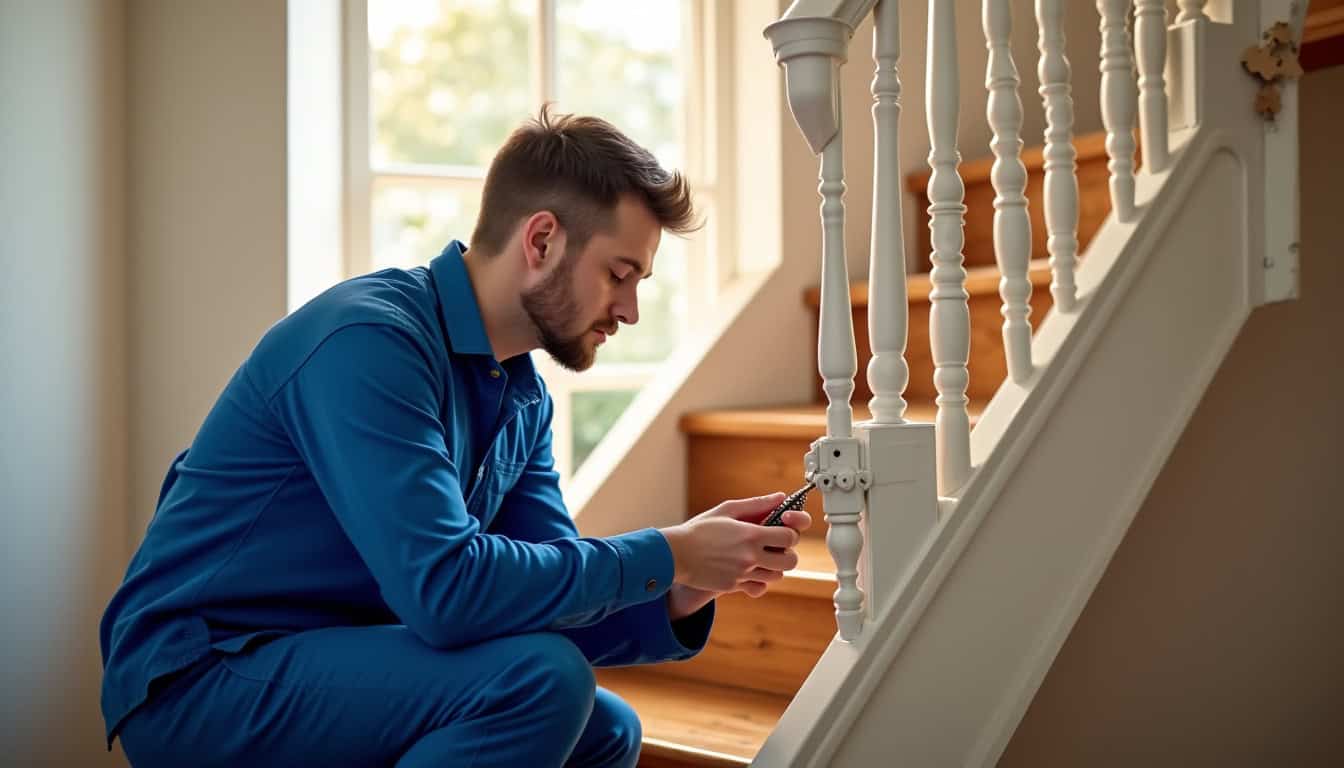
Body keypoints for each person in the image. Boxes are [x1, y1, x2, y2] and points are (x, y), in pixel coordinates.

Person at [100, 106, 811, 768]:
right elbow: (447, 591)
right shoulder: (369, 341)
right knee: (541, 681)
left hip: (332, 654)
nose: (627, 309)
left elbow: (545, 600)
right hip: (201, 672)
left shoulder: (521, 395)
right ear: (541, 240)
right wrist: (667, 549)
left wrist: (682, 584)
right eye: (619, 274)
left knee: (608, 728)